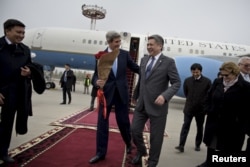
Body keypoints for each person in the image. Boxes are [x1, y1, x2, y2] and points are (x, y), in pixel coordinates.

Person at [89, 31, 139, 164]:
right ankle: (100, 153)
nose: (119, 43)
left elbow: (135, 68)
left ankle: (128, 143)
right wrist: (96, 82)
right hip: (106, 94)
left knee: (123, 122)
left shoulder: (124, 54)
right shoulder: (101, 56)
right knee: (102, 124)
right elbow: (95, 75)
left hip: (121, 93)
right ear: (109, 42)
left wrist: (149, 72)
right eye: (116, 42)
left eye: (119, 41)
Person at [131, 34, 181, 167]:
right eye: (148, 45)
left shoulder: (168, 62)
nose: (148, 47)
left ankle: (153, 161)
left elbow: (176, 83)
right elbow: (142, 80)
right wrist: (135, 96)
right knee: (134, 130)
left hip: (158, 106)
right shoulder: (144, 60)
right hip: (141, 104)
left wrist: (165, 96)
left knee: (156, 138)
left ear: (160, 46)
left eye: (151, 44)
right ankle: (141, 151)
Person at [0, 19, 45, 163]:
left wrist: (29, 73)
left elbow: (29, 67)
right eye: (18, 32)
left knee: (7, 125)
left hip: (14, 94)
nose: (21, 35)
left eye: (23, 33)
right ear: (7, 31)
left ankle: (3, 152)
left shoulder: (25, 50)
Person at [196, 62, 250, 167]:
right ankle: (209, 163)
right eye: (222, 75)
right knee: (212, 144)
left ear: (235, 73)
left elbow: (247, 109)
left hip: (233, 125)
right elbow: (208, 97)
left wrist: (243, 124)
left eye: (227, 75)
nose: (224, 77)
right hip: (214, 121)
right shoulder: (217, 82)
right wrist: (208, 109)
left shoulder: (245, 87)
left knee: (229, 149)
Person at [175, 63, 211, 152]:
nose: (195, 73)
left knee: (199, 127)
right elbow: (186, 93)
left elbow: (209, 95)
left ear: (200, 71)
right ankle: (181, 145)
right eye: (193, 72)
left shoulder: (207, 81)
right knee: (185, 126)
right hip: (189, 109)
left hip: (200, 110)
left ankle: (197, 144)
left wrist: (205, 107)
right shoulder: (187, 80)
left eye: (197, 72)